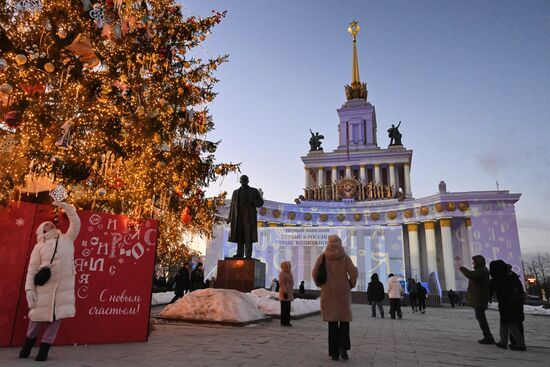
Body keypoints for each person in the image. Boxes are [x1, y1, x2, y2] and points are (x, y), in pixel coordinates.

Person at [19, 201, 81, 361]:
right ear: (41, 231)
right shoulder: (39, 247)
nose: (50, 225)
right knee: (37, 319)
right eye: (46, 225)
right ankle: (28, 343)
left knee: (56, 319)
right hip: (44, 288)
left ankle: (44, 350)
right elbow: (32, 270)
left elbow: (75, 222)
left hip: (62, 289)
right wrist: (30, 291)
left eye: (51, 224)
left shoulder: (67, 239)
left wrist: (66, 206)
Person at [312, 235, 358, 361]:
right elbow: (353, 272)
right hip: (343, 292)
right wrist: (351, 284)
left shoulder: (322, 257)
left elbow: (315, 272)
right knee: (344, 322)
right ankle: (343, 348)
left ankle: (333, 352)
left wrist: (320, 284)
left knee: (332, 324)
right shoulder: (345, 257)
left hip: (328, 292)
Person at [489, 260, 526, 351]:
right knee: (505, 322)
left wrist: (488, 297)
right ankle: (503, 341)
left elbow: (490, 289)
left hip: (505, 303)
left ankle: (520, 344)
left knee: (510, 323)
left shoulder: (497, 278)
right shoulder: (512, 276)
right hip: (515, 302)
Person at [459, 255, 495, 344]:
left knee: (481, 318)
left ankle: (488, 337)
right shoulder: (481, 270)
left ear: (478, 262)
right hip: (479, 298)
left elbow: (471, 275)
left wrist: (462, 268)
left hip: (480, 298)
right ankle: (487, 336)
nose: (472, 263)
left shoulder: (482, 271)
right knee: (480, 317)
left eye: (474, 261)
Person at [227, 175, 264, 258]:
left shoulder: (253, 191)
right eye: (242, 179)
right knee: (239, 235)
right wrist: (230, 217)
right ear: (240, 181)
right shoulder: (235, 192)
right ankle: (239, 253)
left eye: (245, 179)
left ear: (248, 181)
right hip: (238, 217)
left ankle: (248, 254)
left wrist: (253, 202)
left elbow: (261, 202)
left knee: (248, 236)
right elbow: (232, 206)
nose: (243, 180)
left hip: (249, 217)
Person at [279, 261, 294, 326]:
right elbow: (282, 284)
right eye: (288, 265)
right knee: (284, 309)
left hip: (289, 292)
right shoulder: (282, 273)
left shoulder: (289, 273)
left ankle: (287, 321)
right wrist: (285, 291)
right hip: (284, 293)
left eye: (289, 265)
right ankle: (283, 322)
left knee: (288, 308)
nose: (289, 266)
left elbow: (291, 283)